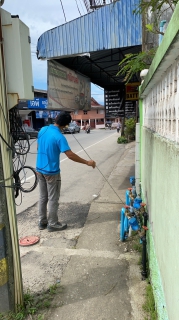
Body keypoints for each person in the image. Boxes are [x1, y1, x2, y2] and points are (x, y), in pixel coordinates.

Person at [36, 111, 96, 232]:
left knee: (43, 197)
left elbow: (38, 147)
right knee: (53, 198)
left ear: (56, 119)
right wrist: (87, 162)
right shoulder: (59, 137)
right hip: (51, 172)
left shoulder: (43, 129)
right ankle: (52, 224)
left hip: (39, 170)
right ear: (66, 125)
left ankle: (42, 222)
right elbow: (70, 155)